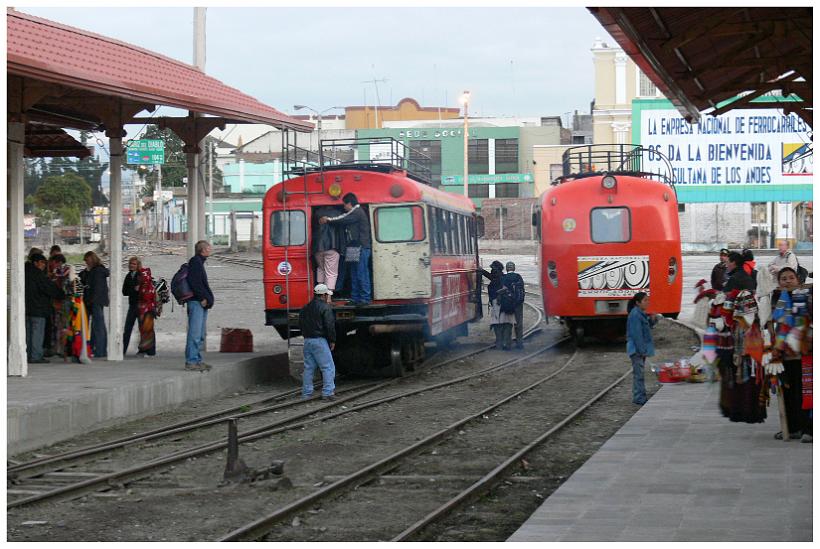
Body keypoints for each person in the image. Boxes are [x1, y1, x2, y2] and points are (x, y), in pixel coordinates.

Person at [770, 267, 812, 442]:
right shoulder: (777, 298)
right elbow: (774, 322)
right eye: (784, 278)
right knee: (788, 391)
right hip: (785, 352)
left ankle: (809, 429)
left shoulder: (809, 296)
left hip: (806, 351)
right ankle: (791, 427)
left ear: (798, 280)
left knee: (807, 391)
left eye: (791, 278)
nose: (787, 281)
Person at [320, 193, 372, 306]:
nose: (344, 207)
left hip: (361, 247)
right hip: (353, 247)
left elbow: (342, 219)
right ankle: (355, 298)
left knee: (361, 273)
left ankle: (365, 299)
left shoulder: (357, 212)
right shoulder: (354, 212)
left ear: (349, 203)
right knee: (354, 273)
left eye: (344, 205)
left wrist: (328, 219)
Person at [298, 283, 337, 401]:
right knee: (328, 367)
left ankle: (306, 393)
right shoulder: (325, 308)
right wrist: (332, 340)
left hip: (307, 340)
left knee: (309, 368)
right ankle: (328, 392)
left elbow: (300, 323)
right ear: (324, 295)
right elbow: (329, 325)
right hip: (319, 341)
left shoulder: (305, 308)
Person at [25, 253, 65, 363]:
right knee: (37, 333)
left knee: (28, 334)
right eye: (42, 263)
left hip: (27, 308)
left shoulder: (24, 272)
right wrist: (62, 294)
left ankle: (28, 355)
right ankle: (36, 356)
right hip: (38, 308)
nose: (44, 265)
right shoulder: (38, 275)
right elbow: (49, 288)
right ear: (35, 263)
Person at [185, 240, 214, 371]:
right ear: (203, 250)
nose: (210, 249)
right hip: (197, 302)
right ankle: (191, 361)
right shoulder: (195, 262)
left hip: (200, 303)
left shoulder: (198, 262)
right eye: (209, 248)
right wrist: (202, 297)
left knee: (200, 334)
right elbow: (195, 282)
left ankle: (197, 360)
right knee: (195, 334)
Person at [626, 292, 659, 406]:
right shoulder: (635, 315)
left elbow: (646, 326)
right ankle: (639, 397)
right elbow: (637, 335)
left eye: (648, 300)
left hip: (639, 349)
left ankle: (640, 396)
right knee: (639, 374)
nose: (647, 302)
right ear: (638, 303)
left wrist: (653, 319)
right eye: (645, 300)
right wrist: (642, 351)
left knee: (639, 373)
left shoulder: (640, 313)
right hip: (636, 349)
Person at [80, 251, 110, 359]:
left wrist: (91, 300)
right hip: (96, 301)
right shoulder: (97, 271)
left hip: (94, 301)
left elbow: (96, 288)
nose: (86, 263)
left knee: (98, 326)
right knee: (98, 325)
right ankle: (96, 348)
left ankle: (100, 350)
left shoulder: (97, 272)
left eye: (87, 260)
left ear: (91, 260)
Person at [47, 254, 74, 358]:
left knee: (63, 325)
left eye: (52, 263)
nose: (51, 265)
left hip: (63, 302)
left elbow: (61, 289)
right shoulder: (65, 270)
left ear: (57, 262)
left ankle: (64, 349)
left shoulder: (61, 271)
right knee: (62, 325)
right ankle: (62, 349)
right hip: (63, 301)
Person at [312, 206, 343, 295]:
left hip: (317, 247)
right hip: (332, 247)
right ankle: (328, 297)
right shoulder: (338, 213)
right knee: (331, 273)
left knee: (321, 269)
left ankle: (320, 295)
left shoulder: (317, 212)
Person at [481, 260, 508, 348]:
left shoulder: (497, 278)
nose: (492, 270)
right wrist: (482, 271)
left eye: (493, 269)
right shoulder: (500, 276)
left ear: (496, 269)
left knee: (497, 322)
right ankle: (502, 340)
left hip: (497, 302)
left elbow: (491, 277)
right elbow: (490, 276)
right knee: (502, 321)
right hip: (499, 302)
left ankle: (499, 341)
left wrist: (482, 271)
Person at [501, 261, 526, 350]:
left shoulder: (504, 278)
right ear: (514, 268)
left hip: (508, 304)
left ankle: (507, 345)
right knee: (519, 324)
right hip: (518, 304)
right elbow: (522, 289)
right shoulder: (518, 277)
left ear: (507, 269)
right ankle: (519, 344)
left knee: (508, 324)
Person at [122, 257, 141, 354]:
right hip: (132, 305)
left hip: (141, 305)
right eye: (130, 263)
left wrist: (135, 290)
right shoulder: (128, 276)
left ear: (138, 265)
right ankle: (122, 350)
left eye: (134, 264)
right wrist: (134, 289)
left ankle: (144, 350)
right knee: (127, 328)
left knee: (143, 328)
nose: (131, 265)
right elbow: (124, 292)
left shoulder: (141, 276)